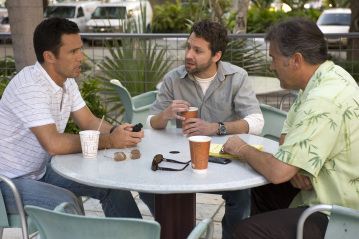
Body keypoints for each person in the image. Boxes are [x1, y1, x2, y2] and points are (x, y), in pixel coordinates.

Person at [222, 17, 359, 239]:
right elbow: (286, 137)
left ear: (296, 60)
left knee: (244, 232)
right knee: (263, 186)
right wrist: (296, 167)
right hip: (320, 189)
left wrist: (241, 148)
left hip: (341, 215)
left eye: (275, 59)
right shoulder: (322, 80)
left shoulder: (322, 99)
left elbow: (278, 172)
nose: (271, 66)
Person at [0, 17, 146, 218]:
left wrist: (118, 132)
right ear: (49, 56)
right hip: (8, 183)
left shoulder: (66, 81)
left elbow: (88, 121)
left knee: (110, 184)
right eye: (73, 51)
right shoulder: (29, 87)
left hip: (39, 173)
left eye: (80, 49)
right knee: (67, 204)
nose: (81, 57)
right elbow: (53, 144)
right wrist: (110, 141)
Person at [146, 19, 264, 239]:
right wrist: (165, 114)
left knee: (242, 196)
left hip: (224, 160)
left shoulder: (237, 77)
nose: (189, 55)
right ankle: (180, 231)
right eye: (188, 47)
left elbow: (257, 121)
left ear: (216, 55)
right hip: (182, 160)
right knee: (147, 188)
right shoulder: (173, 79)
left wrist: (216, 127)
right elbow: (151, 122)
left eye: (197, 50)